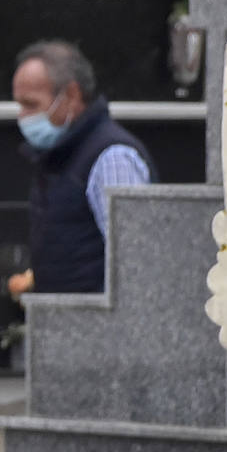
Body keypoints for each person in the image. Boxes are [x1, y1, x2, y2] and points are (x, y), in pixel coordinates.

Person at [10, 39, 156, 295]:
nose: (23, 116)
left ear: (72, 95)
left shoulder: (111, 158)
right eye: (19, 105)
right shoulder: (59, 155)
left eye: (31, 104)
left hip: (100, 329)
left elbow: (138, 262)